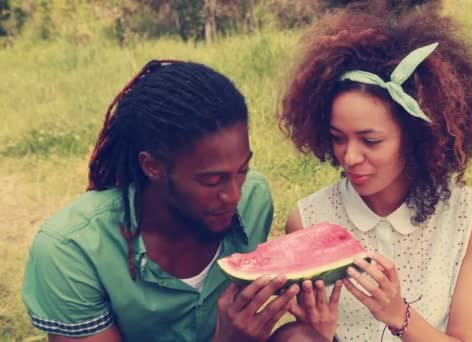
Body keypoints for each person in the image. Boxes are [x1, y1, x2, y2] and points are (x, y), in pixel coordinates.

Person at [22, 60, 323, 341]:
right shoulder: (70, 249)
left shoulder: (254, 198)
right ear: (152, 167)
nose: (234, 195)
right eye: (211, 180)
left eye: (242, 170)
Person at [279, 4, 472, 341]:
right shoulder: (308, 221)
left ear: (416, 138)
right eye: (338, 138)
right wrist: (319, 333)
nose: (350, 157)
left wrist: (398, 315)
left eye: (370, 140)